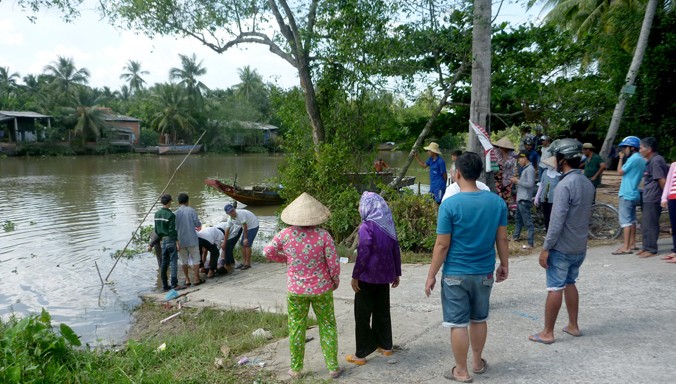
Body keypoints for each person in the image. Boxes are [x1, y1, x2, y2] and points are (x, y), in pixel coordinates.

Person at [425, 152, 509, 383]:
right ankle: (477, 363)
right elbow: (501, 239)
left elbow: (442, 245)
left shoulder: (449, 205)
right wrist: (504, 264)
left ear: (457, 174)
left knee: (458, 322)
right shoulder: (497, 202)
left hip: (455, 274)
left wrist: (431, 275)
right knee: (479, 318)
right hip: (484, 272)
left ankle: (461, 371)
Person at [263, 193, 343, 379]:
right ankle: (332, 368)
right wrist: (335, 280)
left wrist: (285, 259)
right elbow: (333, 262)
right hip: (322, 289)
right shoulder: (323, 235)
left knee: (296, 327)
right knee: (328, 325)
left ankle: (296, 370)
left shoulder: (285, 234)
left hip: (296, 290)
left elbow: (267, 251)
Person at [529, 139, 594, 344]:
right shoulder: (587, 183)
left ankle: (548, 332)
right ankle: (573, 326)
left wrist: (546, 248)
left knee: (555, 287)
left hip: (562, 247)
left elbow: (556, 222)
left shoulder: (564, 185)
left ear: (563, 159)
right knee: (570, 282)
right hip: (579, 246)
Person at [346, 192, 401, 366]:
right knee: (382, 311)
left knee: (362, 315)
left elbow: (363, 252)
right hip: (385, 276)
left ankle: (361, 354)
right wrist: (396, 272)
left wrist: (355, 276)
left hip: (367, 277)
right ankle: (385, 346)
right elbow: (395, 249)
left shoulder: (366, 227)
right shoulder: (388, 225)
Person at [612, 136, 646, 255]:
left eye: (625, 148)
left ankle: (626, 247)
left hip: (626, 192)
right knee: (632, 220)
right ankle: (632, 243)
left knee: (625, 221)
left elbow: (620, 171)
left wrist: (620, 159)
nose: (623, 150)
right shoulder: (641, 159)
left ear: (631, 148)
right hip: (635, 192)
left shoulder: (632, 159)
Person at [636, 137, 669, 258]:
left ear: (649, 149)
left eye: (641, 148)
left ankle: (651, 248)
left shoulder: (656, 161)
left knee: (650, 224)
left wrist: (665, 197)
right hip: (648, 196)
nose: (639, 150)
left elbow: (662, 180)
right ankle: (646, 246)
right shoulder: (651, 161)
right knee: (645, 223)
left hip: (654, 197)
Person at [175, 193, 203, 286]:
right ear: (187, 201)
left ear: (178, 202)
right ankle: (196, 278)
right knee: (196, 259)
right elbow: (197, 224)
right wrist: (199, 225)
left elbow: (174, 229)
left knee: (184, 261)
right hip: (192, 240)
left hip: (181, 241)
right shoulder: (191, 211)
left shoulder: (175, 213)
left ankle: (187, 279)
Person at [510, 150, 536, 249]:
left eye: (519, 159)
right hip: (520, 198)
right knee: (518, 220)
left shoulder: (530, 169)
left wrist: (517, 181)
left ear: (524, 158)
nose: (519, 161)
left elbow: (530, 184)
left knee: (528, 222)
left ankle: (530, 243)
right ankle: (515, 236)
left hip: (524, 199)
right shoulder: (525, 169)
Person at [154, 194, 178, 291]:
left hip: (162, 240)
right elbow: (172, 230)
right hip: (170, 239)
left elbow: (156, 229)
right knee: (173, 262)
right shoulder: (171, 215)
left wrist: (160, 239)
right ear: (169, 202)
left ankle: (164, 285)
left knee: (164, 263)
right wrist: (176, 241)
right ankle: (174, 284)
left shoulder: (156, 214)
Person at [224, 203, 259, 270]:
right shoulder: (230, 219)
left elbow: (245, 226)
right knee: (242, 245)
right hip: (246, 226)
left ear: (234, 209)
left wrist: (245, 238)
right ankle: (244, 262)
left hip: (253, 225)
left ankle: (247, 263)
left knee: (247, 244)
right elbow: (227, 230)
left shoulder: (240, 214)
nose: (232, 212)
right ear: (227, 213)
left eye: (232, 210)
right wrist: (225, 242)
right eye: (230, 212)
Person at [534, 156, 561, 232]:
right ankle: (547, 230)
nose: (548, 166)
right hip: (544, 198)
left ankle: (552, 231)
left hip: (553, 200)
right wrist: (537, 197)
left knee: (552, 217)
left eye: (550, 165)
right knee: (546, 216)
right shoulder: (545, 173)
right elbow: (541, 185)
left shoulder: (559, 176)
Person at [493, 137, 517, 205]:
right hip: (497, 178)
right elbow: (495, 161)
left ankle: (506, 211)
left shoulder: (513, 154)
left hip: (507, 179)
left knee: (506, 198)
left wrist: (504, 154)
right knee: (498, 197)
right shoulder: (496, 151)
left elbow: (508, 164)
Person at [661, 161, 676, 263]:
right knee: (674, 227)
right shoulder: (674, 165)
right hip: (673, 197)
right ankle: (675, 250)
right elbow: (668, 182)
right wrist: (664, 198)